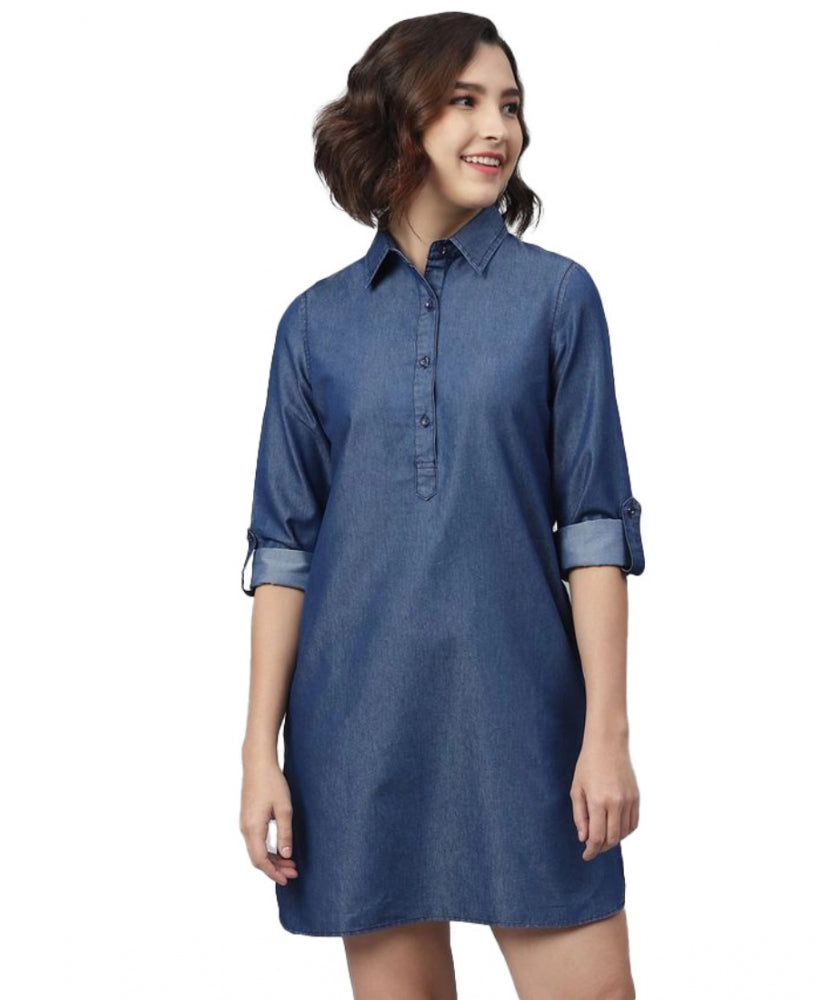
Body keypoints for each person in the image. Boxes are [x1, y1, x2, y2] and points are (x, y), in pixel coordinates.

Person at [239, 12, 646, 998]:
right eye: (465, 100)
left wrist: (607, 733)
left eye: (509, 104)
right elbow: (284, 551)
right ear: (399, 117)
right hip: (357, 722)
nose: (496, 127)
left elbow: (595, 528)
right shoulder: (315, 325)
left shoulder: (557, 300)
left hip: (524, 717)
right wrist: (258, 751)